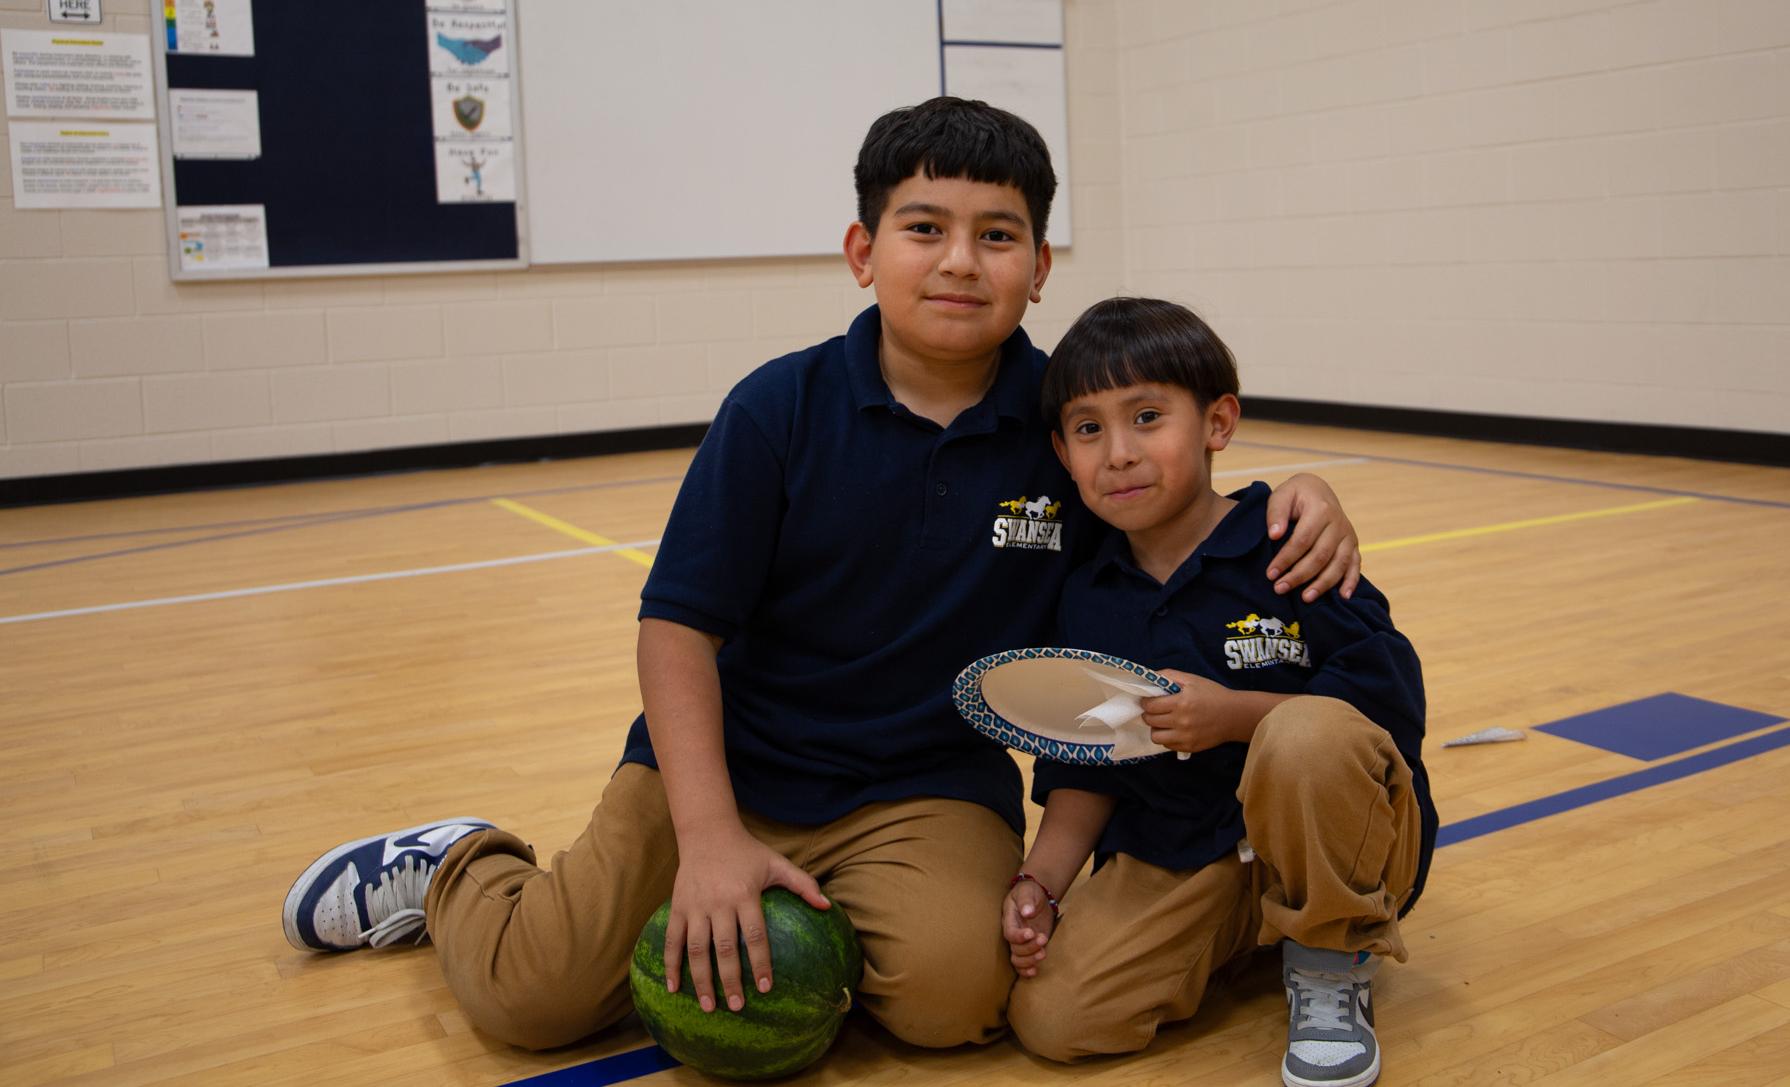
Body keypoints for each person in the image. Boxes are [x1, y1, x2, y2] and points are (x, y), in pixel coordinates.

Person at [280, 99, 1369, 1053]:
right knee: (532, 1000)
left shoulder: (1060, 425)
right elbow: (675, 631)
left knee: (961, 1002)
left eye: (997, 236)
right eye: (923, 229)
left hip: (926, 789)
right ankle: (456, 867)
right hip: (723, 769)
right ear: (861, 250)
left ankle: (816, 922)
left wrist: (1294, 491)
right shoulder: (777, 409)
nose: (958, 261)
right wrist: (707, 839)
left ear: (1038, 270)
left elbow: (1165, 493)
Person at [1000, 297, 1435, 1087]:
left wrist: (1232, 716)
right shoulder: (1087, 598)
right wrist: (1040, 883)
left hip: (1342, 828)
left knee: (1306, 735)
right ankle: (1252, 928)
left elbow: (1388, 717)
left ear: (1218, 422)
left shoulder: (1288, 542)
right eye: (1090, 429)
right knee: (1054, 1020)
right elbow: (1085, 762)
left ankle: (1332, 959)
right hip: (1183, 849)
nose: (1120, 452)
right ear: (1062, 451)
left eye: (1147, 416)